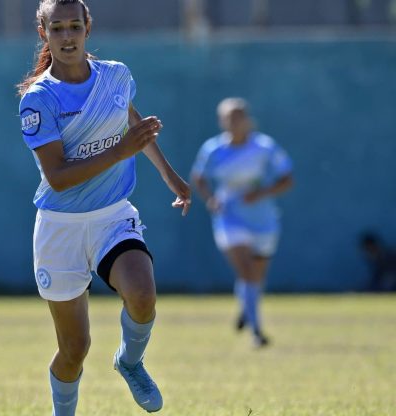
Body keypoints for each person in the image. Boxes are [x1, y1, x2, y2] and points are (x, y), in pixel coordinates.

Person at [17, 1, 191, 414]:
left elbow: (131, 123)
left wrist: (170, 175)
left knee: (143, 295)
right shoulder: (38, 99)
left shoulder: (116, 75)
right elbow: (58, 176)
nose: (67, 36)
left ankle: (130, 362)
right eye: (56, 28)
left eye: (74, 26)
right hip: (60, 227)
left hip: (112, 214)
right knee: (74, 349)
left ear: (88, 28)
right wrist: (119, 152)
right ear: (44, 33)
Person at [191, 97, 293, 348]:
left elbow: (287, 178)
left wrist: (261, 193)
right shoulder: (213, 149)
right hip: (229, 218)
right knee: (246, 271)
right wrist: (211, 199)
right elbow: (199, 177)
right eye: (229, 117)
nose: (234, 121)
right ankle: (258, 332)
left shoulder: (264, 147)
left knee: (255, 276)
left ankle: (246, 309)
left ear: (247, 119)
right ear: (221, 121)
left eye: (239, 116)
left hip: (264, 220)